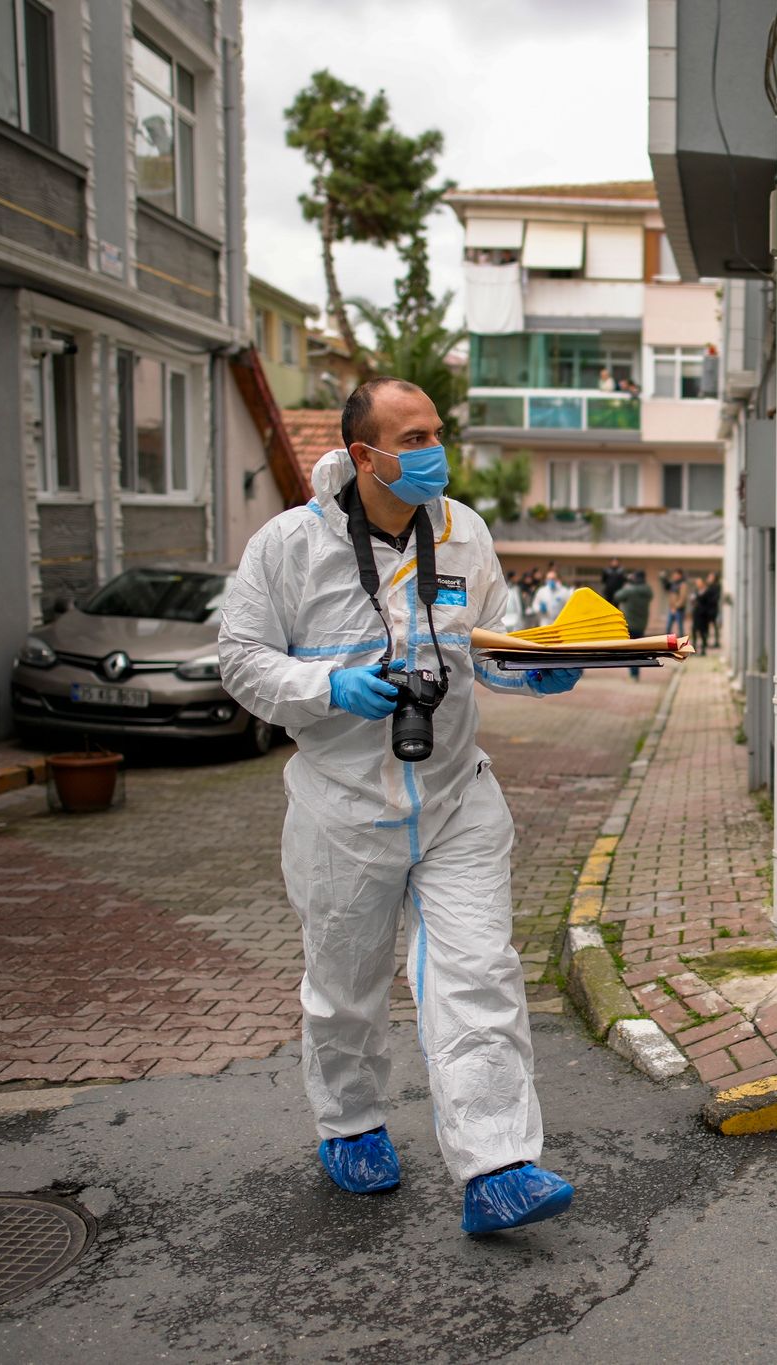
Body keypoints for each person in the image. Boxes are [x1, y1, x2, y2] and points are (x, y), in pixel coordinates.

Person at [218, 376, 580, 1233]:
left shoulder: (463, 533)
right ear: (362, 454)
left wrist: (535, 667)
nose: (431, 450)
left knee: (479, 973)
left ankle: (497, 1165)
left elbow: (485, 646)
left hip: (456, 797)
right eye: (411, 437)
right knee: (346, 986)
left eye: (435, 433)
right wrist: (328, 685)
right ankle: (349, 1124)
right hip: (341, 811)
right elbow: (238, 659)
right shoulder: (289, 547)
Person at [614, 569, 654, 679]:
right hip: (641, 624)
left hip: (630, 624)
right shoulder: (648, 590)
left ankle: (633, 673)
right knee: (638, 649)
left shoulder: (630, 590)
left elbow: (617, 596)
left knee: (630, 650)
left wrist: (627, 584)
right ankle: (636, 673)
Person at [691, 573, 720, 654]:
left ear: (702, 583)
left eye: (699, 582)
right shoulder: (695, 591)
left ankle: (703, 649)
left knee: (703, 632)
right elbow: (692, 601)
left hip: (704, 615)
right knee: (694, 631)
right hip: (696, 614)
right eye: (696, 583)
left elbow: (710, 602)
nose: (697, 584)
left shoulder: (708, 591)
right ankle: (694, 648)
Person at [664, 571, 688, 639]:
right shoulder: (673, 584)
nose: (674, 576)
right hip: (671, 608)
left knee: (680, 627)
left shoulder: (682, 584)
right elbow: (667, 590)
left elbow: (683, 598)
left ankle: (683, 642)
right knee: (668, 626)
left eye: (676, 574)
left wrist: (676, 607)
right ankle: (667, 642)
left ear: (680, 575)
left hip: (679, 609)